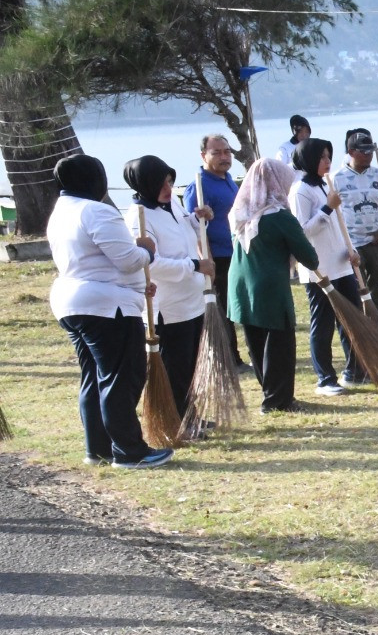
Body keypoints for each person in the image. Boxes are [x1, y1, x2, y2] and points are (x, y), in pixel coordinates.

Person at [47, 155, 174, 468]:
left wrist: (134, 286)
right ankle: (129, 451)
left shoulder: (60, 212)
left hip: (72, 302)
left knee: (94, 377)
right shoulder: (97, 211)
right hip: (105, 308)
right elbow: (129, 260)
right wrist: (146, 249)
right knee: (121, 378)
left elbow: (97, 261)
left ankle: (98, 448)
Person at [122, 156, 213, 423]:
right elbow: (152, 263)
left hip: (192, 300)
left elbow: (186, 233)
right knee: (177, 367)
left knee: (193, 364)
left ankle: (191, 415)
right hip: (169, 307)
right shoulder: (139, 217)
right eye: (161, 183)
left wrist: (200, 220)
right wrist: (195, 265)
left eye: (170, 181)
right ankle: (178, 419)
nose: (168, 188)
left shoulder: (172, 203)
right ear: (144, 185)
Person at [227, 158, 321, 414]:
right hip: (268, 285)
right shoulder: (280, 217)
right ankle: (278, 401)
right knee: (279, 342)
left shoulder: (240, 213)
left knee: (256, 340)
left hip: (240, 285)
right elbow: (309, 258)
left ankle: (270, 394)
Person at [288, 138, 362, 398]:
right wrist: (327, 208)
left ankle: (354, 371)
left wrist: (352, 250)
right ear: (308, 159)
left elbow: (339, 224)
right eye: (321, 157)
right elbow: (302, 232)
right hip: (319, 269)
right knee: (323, 323)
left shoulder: (324, 184)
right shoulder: (300, 190)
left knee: (351, 319)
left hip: (341, 263)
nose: (327, 162)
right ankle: (325, 378)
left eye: (329, 156)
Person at [183, 134, 243, 366]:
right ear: (203, 155)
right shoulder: (198, 186)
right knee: (220, 311)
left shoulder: (228, 180)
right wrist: (206, 260)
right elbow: (195, 228)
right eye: (216, 152)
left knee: (232, 308)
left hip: (235, 253)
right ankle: (227, 359)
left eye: (226, 151)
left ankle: (234, 356)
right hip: (216, 257)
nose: (223, 157)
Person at [333, 128, 378, 339]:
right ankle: (359, 330)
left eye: (370, 151)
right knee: (356, 289)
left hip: (375, 242)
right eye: (364, 151)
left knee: (377, 287)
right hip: (351, 244)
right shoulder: (337, 178)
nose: (368, 155)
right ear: (351, 152)